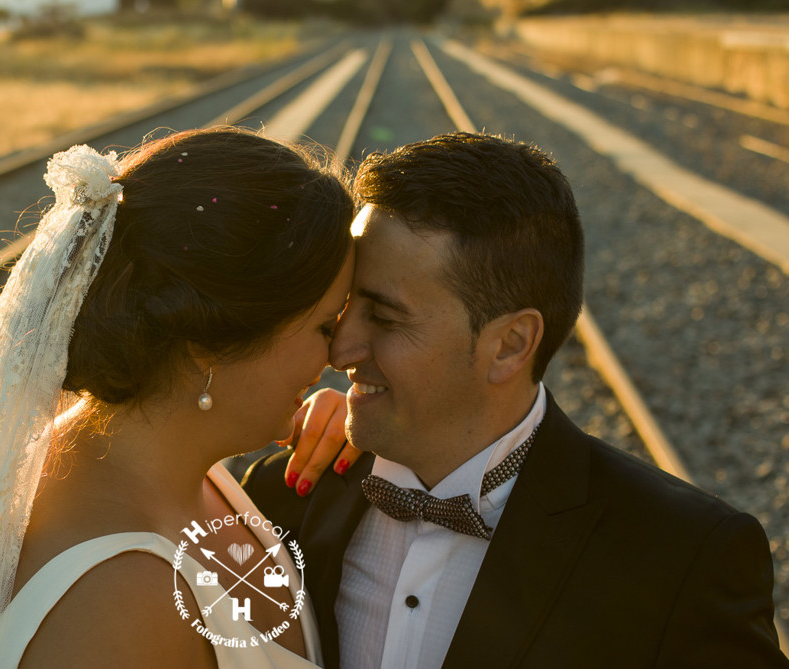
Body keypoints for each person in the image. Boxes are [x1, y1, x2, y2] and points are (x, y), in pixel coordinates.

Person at [243, 132, 787, 668]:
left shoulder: (682, 559)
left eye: (384, 318)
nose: (340, 349)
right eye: (343, 308)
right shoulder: (277, 501)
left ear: (509, 345)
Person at [0, 126, 356, 668]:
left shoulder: (177, 473)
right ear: (207, 342)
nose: (340, 356)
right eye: (325, 327)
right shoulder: (122, 606)